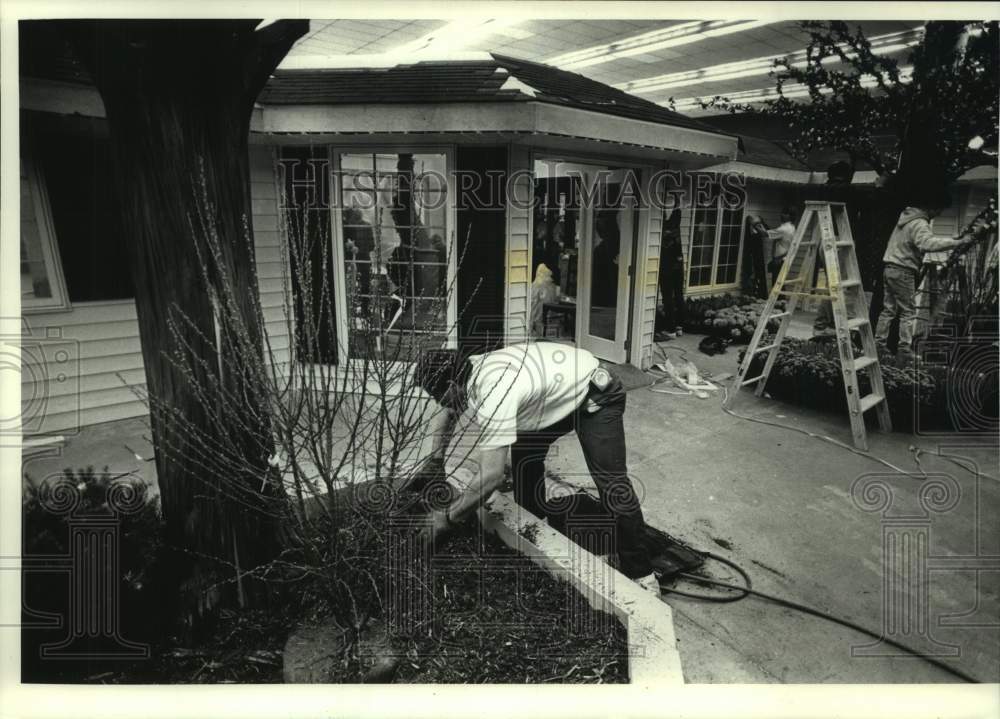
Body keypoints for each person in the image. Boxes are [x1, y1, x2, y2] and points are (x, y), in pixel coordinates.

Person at [413, 343, 660, 593]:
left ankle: (642, 574)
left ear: (453, 386)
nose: (438, 403)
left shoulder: (493, 392)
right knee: (525, 459)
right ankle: (535, 530)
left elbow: (492, 476)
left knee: (611, 483)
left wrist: (446, 517)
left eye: (437, 396)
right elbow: (448, 411)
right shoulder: (469, 370)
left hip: (597, 394)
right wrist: (434, 459)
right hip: (556, 394)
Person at [874, 197, 973, 360]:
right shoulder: (920, 223)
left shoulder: (906, 219)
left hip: (890, 267)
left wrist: (953, 240)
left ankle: (879, 344)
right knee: (908, 311)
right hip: (904, 268)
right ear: (931, 208)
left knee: (888, 309)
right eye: (938, 211)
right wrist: (958, 242)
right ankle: (904, 349)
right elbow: (927, 244)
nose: (937, 215)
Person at [655, 209, 685, 340]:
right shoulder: (676, 229)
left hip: (667, 266)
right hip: (679, 265)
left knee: (668, 298)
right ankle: (679, 327)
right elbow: (677, 212)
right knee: (678, 295)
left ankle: (670, 330)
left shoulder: (663, 231)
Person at [764, 208, 796, 288]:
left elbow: (765, 234)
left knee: (776, 283)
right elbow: (774, 232)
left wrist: (756, 223)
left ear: (790, 216)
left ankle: (778, 300)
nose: (782, 215)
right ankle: (781, 300)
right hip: (785, 257)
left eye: (785, 213)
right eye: (782, 212)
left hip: (780, 259)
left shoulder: (783, 229)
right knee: (780, 283)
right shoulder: (791, 227)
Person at [741, 214, 769, 299]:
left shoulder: (761, 228)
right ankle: (749, 293)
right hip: (750, 254)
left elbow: (767, 232)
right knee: (749, 273)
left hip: (759, 254)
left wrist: (758, 224)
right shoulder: (748, 230)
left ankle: (760, 294)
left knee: (760, 274)